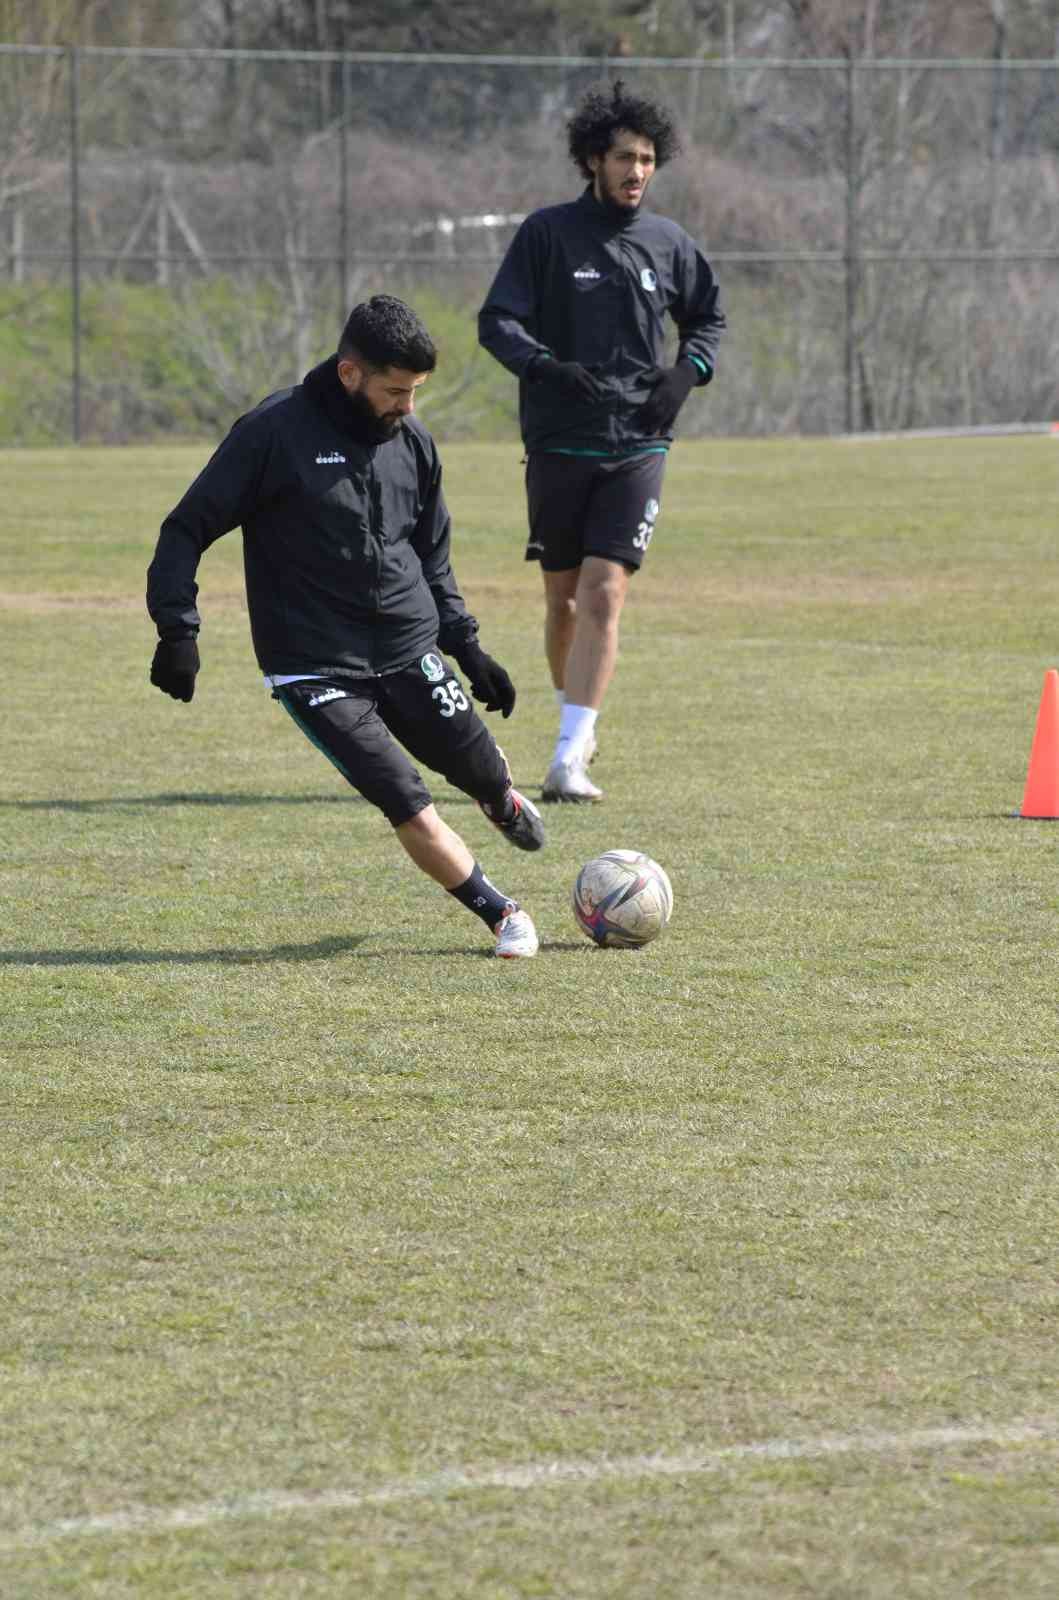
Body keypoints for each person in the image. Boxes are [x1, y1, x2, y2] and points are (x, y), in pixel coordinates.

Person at [147, 295, 543, 958]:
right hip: (314, 664)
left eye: (416, 392)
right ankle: (502, 912)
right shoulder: (271, 433)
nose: (407, 407)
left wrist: (466, 646)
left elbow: (431, 554)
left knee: (476, 769)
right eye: (396, 391)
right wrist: (177, 630)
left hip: (407, 645)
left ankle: (496, 796)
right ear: (349, 373)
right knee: (405, 797)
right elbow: (185, 528)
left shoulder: (411, 440)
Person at [478, 79, 726, 802]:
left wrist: (686, 375)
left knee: (605, 591)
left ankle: (567, 755)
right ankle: (573, 721)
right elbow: (499, 322)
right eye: (624, 157)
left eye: (648, 158)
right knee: (561, 603)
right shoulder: (547, 234)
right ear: (593, 159)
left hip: (638, 444)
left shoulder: (669, 243)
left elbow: (708, 320)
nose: (637, 171)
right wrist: (546, 368)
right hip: (560, 441)